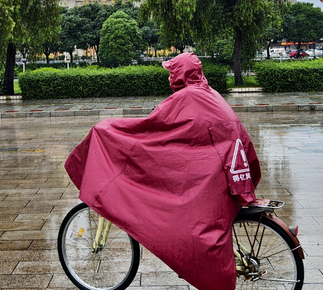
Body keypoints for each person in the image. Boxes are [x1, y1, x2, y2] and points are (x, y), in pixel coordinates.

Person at [64, 52, 261, 290]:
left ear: (181, 74)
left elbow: (151, 129)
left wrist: (110, 130)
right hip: (233, 174)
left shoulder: (187, 97)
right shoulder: (210, 94)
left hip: (215, 176)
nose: (169, 77)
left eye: (172, 71)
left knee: (183, 219)